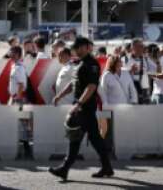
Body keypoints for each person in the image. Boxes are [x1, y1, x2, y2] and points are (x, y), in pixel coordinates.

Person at [49, 37, 114, 181]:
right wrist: (59, 95)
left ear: (86, 47)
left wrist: (78, 104)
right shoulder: (80, 64)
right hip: (83, 107)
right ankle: (107, 167)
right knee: (93, 138)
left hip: (86, 107)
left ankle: (65, 169)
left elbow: (91, 87)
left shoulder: (92, 64)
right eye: (75, 48)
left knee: (75, 137)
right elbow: (73, 84)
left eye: (79, 47)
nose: (76, 50)